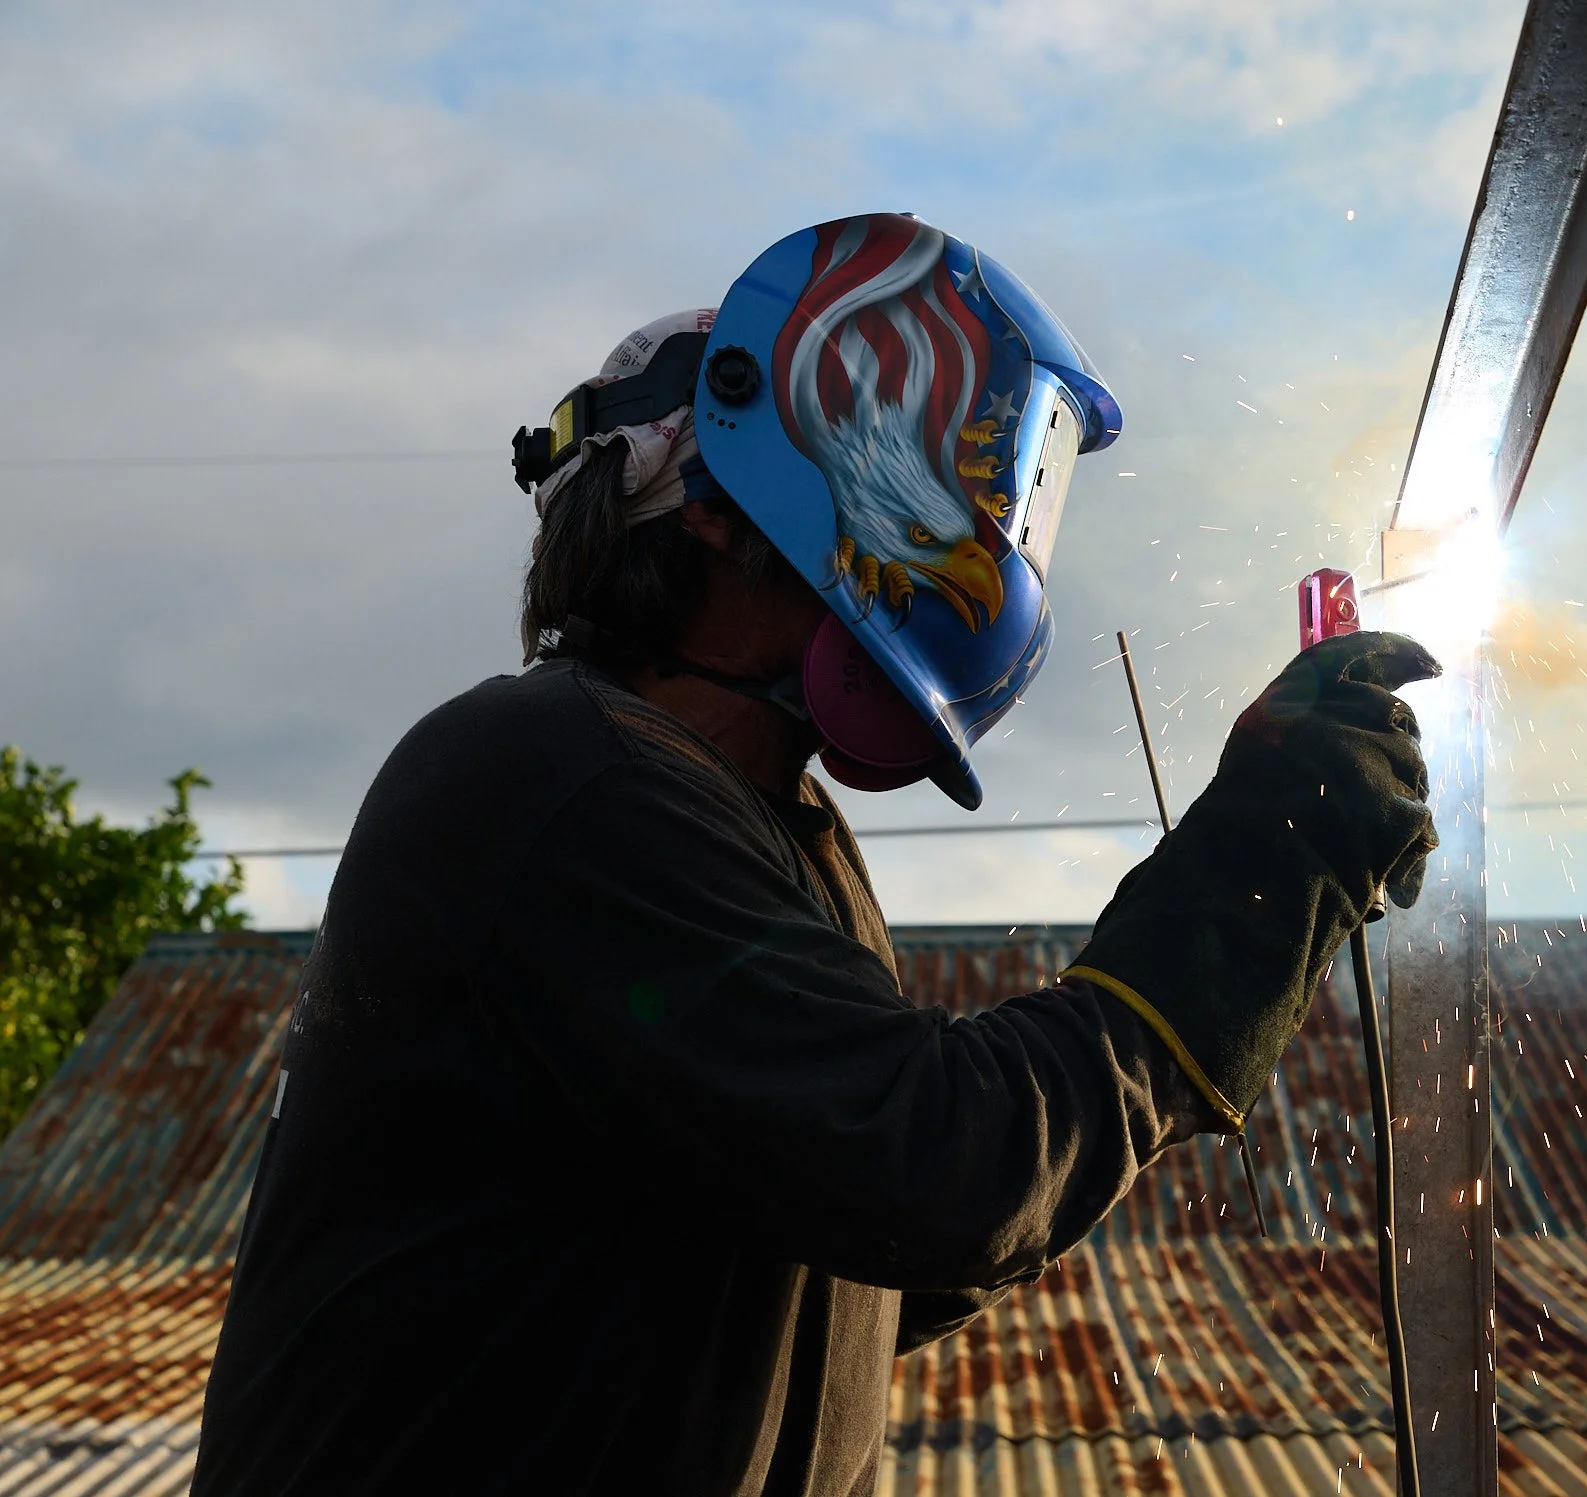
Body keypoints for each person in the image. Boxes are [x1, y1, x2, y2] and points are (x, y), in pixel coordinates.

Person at [192, 213, 1438, 1497]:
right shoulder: (557, 778)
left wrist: (1251, 914)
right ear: (729, 504)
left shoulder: (763, 825)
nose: (991, 514)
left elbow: (858, 1240)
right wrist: (1269, 863)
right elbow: (935, 1162)